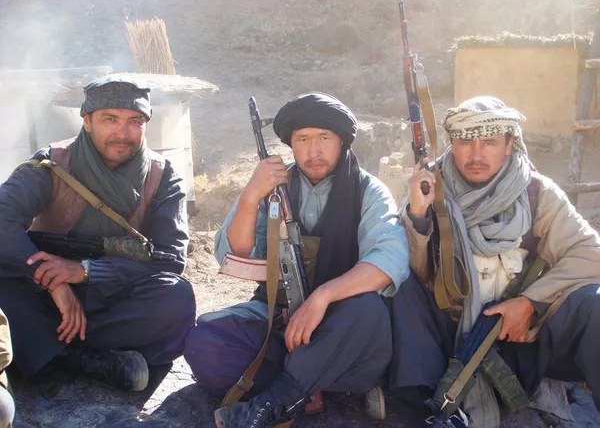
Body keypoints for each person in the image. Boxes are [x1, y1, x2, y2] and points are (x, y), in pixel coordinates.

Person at [184, 92, 410, 427]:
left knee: (368, 309)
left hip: (342, 328)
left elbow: (390, 260)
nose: (314, 150)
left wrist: (322, 297)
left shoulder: (368, 190)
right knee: (203, 343)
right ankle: (317, 386)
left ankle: (273, 402)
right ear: (291, 143)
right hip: (279, 321)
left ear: (342, 141)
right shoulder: (273, 187)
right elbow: (235, 253)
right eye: (303, 139)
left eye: (324, 138)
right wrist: (251, 195)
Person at [388, 96, 600, 427]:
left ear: (509, 144)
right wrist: (417, 216)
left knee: (594, 303)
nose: (476, 155)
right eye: (465, 143)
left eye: (489, 142)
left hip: (516, 338)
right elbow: (416, 271)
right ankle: (430, 406)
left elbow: (591, 253)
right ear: (452, 144)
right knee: (395, 285)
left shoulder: (536, 192)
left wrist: (529, 304)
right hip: (447, 335)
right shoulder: (431, 188)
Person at [0, 77, 196, 392]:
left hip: (112, 294)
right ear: (87, 121)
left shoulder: (163, 176)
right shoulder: (51, 163)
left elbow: (170, 257)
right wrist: (52, 280)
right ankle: (85, 360)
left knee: (175, 296)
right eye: (110, 120)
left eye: (135, 121)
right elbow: (3, 220)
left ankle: (45, 350)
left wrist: (84, 271)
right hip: (42, 293)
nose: (123, 133)